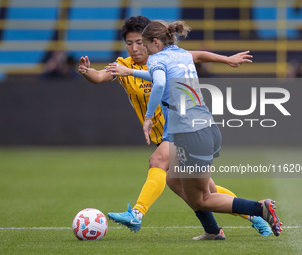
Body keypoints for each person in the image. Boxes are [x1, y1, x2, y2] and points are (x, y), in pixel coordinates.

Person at [78, 16, 272, 239]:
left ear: (151, 41)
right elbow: (100, 76)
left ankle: (137, 214)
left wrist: (226, 59)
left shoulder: (166, 59)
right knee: (193, 187)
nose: (134, 48)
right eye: (129, 43)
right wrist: (87, 72)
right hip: (168, 135)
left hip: (182, 129)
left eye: (139, 43)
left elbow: (196, 55)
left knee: (157, 161)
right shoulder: (124, 65)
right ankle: (241, 219)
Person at [136, 19, 282, 238]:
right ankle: (213, 231)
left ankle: (260, 208)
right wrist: (228, 59)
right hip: (205, 128)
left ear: (156, 42)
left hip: (189, 134)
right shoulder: (181, 55)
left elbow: (158, 83)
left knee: (202, 198)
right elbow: (200, 55)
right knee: (174, 180)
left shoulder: (157, 59)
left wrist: (148, 117)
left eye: (146, 46)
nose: (145, 51)